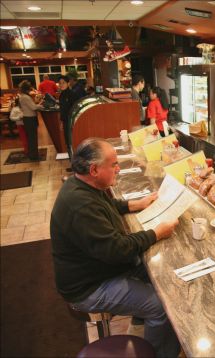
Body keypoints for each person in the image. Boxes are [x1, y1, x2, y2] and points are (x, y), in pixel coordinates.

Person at [50, 138, 181, 357]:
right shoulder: (80, 205)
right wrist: (156, 233)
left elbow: (105, 204)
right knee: (161, 306)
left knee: (162, 277)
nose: (118, 169)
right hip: (88, 287)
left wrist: (133, 204)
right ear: (94, 169)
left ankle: (141, 324)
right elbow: (117, 250)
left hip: (98, 268)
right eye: (113, 165)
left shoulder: (84, 184)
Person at [18, 80, 43, 160]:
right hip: (30, 119)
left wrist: (38, 104)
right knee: (32, 138)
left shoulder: (23, 96)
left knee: (31, 138)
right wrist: (41, 105)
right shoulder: (25, 97)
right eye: (29, 88)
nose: (31, 89)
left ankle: (32, 154)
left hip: (28, 119)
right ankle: (34, 156)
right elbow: (33, 107)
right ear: (27, 88)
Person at [58, 75, 75, 161]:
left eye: (63, 83)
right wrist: (61, 122)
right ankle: (71, 162)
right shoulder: (61, 95)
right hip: (65, 122)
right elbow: (62, 110)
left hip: (71, 122)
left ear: (68, 83)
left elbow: (74, 109)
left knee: (71, 143)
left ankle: (74, 163)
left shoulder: (72, 94)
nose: (61, 85)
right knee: (68, 143)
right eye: (60, 83)